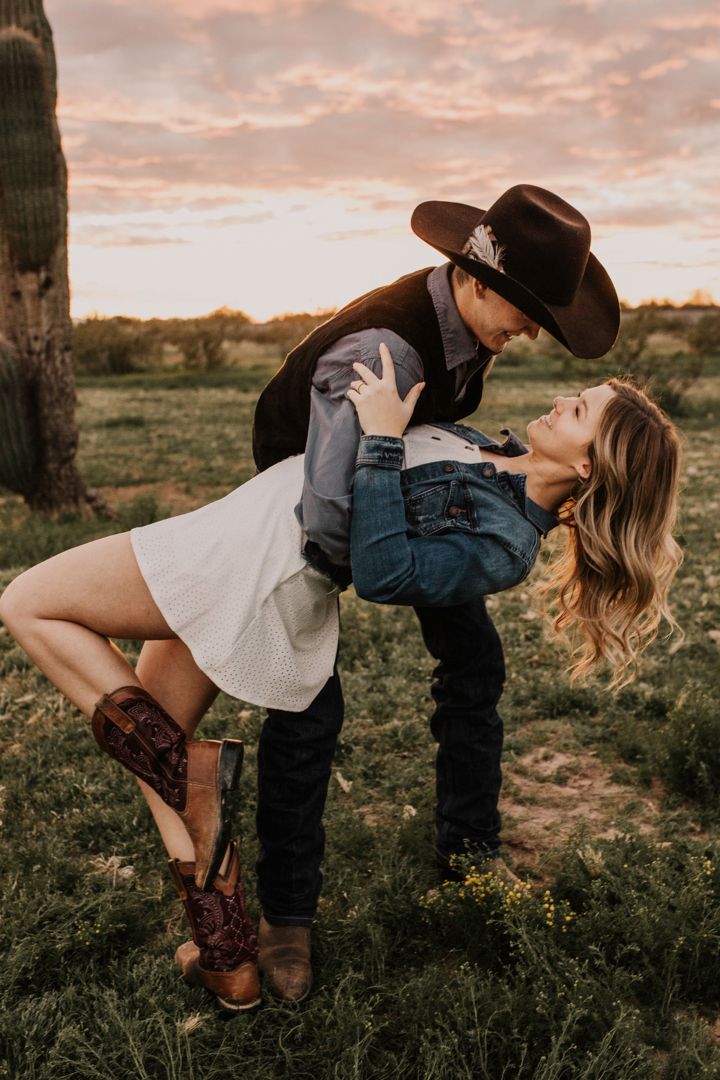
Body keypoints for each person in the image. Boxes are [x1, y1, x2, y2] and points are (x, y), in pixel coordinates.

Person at [0, 344, 682, 1012]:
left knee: (27, 601)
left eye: (581, 409)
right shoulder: (490, 451)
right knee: (155, 741)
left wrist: (384, 437)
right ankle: (228, 956)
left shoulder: (505, 542)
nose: (564, 399)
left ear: (590, 463)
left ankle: (193, 778)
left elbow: (386, 573)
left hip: (251, 555)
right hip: (252, 537)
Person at [247, 183, 625, 1000]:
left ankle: (469, 850)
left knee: (474, 660)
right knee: (309, 697)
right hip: (305, 507)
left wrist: (496, 516)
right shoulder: (387, 352)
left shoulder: (473, 325)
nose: (530, 332)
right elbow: (334, 517)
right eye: (525, 311)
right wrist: (434, 555)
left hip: (404, 487)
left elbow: (445, 448)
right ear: (478, 279)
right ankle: (284, 918)